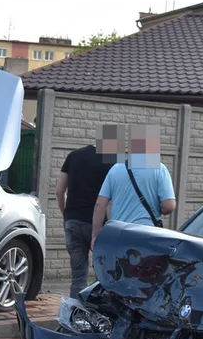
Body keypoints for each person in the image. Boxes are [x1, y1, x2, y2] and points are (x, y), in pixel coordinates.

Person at [56, 124, 120, 297]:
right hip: (99, 225)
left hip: (73, 220)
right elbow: (109, 202)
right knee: (105, 274)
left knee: (78, 277)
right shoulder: (113, 164)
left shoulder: (74, 156)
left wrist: (65, 214)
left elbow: (60, 190)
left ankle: (75, 315)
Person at [91, 123, 176, 249]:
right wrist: (156, 208)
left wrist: (95, 235)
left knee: (118, 267)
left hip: (118, 234)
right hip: (146, 234)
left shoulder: (115, 169)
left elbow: (100, 204)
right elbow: (169, 206)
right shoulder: (159, 168)